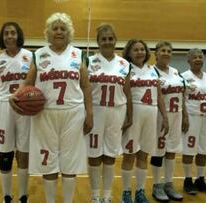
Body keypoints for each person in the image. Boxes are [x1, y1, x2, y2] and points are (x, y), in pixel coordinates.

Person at [9, 12, 93, 203]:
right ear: (48, 32)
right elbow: (28, 82)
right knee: (48, 163)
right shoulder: (38, 55)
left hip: (73, 114)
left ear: (68, 32)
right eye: (55, 28)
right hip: (45, 114)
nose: (59, 32)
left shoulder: (78, 54)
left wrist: (90, 112)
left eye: (63, 28)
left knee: (69, 164)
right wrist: (16, 94)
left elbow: (86, 86)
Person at [86, 23, 132, 203]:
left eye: (110, 38)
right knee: (95, 155)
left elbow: (127, 92)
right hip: (96, 112)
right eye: (103, 39)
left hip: (116, 112)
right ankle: (95, 196)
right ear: (98, 42)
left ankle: (107, 195)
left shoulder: (124, 64)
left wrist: (129, 115)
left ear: (115, 41)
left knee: (110, 156)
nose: (107, 42)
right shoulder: (88, 61)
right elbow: (84, 89)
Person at [121, 39, 169, 203]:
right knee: (129, 155)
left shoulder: (152, 70)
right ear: (129, 53)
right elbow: (125, 94)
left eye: (142, 49)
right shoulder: (126, 69)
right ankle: (126, 192)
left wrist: (165, 116)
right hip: (134, 114)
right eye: (136, 50)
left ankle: (140, 191)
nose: (140, 52)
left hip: (151, 115)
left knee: (144, 155)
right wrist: (126, 116)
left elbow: (160, 96)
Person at [0, 22, 32, 203]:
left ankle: (23, 195)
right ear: (2, 36)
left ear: (18, 35)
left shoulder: (30, 57)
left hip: (25, 107)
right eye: (6, 33)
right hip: (3, 106)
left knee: (23, 152)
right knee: (5, 152)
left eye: (13, 33)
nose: (9, 36)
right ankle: (7, 195)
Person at [150, 41, 188, 202]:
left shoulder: (176, 72)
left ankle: (168, 183)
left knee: (171, 151)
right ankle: (157, 185)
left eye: (169, 51)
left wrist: (185, 115)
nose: (166, 53)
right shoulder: (151, 72)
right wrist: (164, 117)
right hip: (159, 117)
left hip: (177, 116)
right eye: (162, 50)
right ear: (156, 54)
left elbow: (182, 96)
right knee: (158, 152)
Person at [181, 48, 206, 195]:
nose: (198, 59)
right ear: (188, 60)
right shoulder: (183, 77)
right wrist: (184, 117)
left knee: (203, 150)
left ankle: (200, 179)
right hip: (192, 117)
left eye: (200, 57)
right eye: (194, 57)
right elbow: (181, 99)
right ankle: (188, 180)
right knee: (189, 150)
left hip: (205, 118)